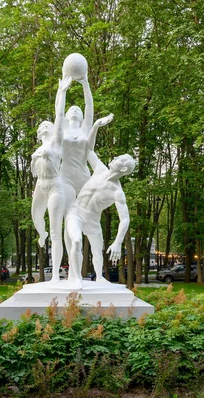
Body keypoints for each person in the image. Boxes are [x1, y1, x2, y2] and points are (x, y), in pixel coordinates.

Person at [65, 152, 136, 287]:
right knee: (76, 241)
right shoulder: (100, 169)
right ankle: (77, 278)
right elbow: (89, 150)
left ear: (123, 169)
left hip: (92, 221)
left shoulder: (117, 192)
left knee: (97, 251)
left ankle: (99, 277)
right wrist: (94, 129)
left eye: (119, 159)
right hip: (75, 213)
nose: (115, 158)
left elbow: (125, 219)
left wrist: (117, 242)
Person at [31, 77, 75, 284]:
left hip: (55, 186)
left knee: (56, 231)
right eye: (43, 125)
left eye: (49, 125)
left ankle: (56, 275)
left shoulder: (56, 143)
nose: (47, 126)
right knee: (36, 218)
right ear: (39, 132)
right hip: (40, 186)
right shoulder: (38, 148)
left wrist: (62, 91)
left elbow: (59, 115)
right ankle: (42, 234)